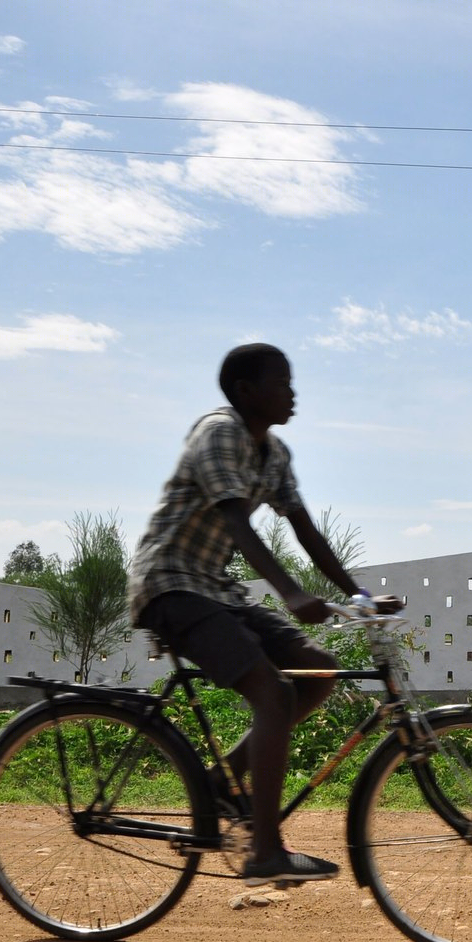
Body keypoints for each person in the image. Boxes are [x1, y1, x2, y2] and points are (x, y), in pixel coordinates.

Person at [128, 342, 362, 886]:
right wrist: (291, 594)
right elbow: (237, 523)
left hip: (215, 587)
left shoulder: (274, 453)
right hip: (169, 582)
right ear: (246, 391)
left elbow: (305, 529)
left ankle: (220, 782)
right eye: (282, 382)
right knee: (273, 692)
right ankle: (263, 851)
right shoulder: (218, 432)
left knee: (318, 672)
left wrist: (359, 594)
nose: (293, 392)